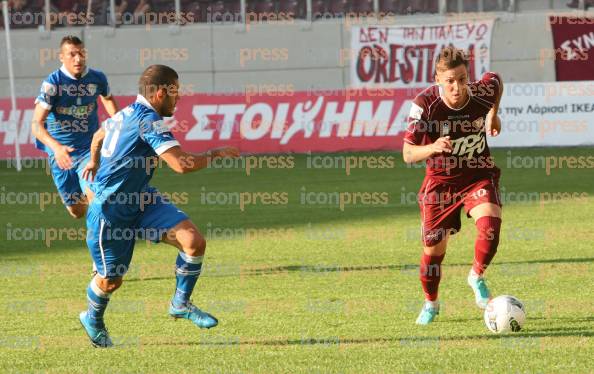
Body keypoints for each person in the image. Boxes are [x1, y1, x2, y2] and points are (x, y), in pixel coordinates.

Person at [78, 64, 239, 347]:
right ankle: (92, 317)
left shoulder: (125, 113)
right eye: (176, 92)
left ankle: (180, 303)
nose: (179, 99)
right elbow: (180, 164)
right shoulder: (147, 120)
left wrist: (93, 161)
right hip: (110, 211)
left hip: (142, 199)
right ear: (162, 92)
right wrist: (216, 153)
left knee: (193, 242)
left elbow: (97, 137)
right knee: (110, 281)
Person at [402, 46, 504, 325]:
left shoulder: (481, 93)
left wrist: (493, 115)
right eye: (450, 81)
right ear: (438, 80)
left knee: (491, 226)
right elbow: (408, 153)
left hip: (477, 176)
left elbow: (496, 80)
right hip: (440, 185)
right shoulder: (425, 105)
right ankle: (431, 303)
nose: (457, 87)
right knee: (433, 256)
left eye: (461, 78)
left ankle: (476, 275)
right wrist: (432, 147)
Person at [31, 35, 119, 219]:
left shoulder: (97, 78)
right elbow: (36, 125)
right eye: (72, 54)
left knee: (97, 196)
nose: (78, 59)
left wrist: (118, 122)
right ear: (61, 57)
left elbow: (108, 98)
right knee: (76, 212)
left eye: (81, 53)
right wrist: (57, 148)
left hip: (89, 150)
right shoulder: (53, 83)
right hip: (62, 155)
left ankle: (102, 239)